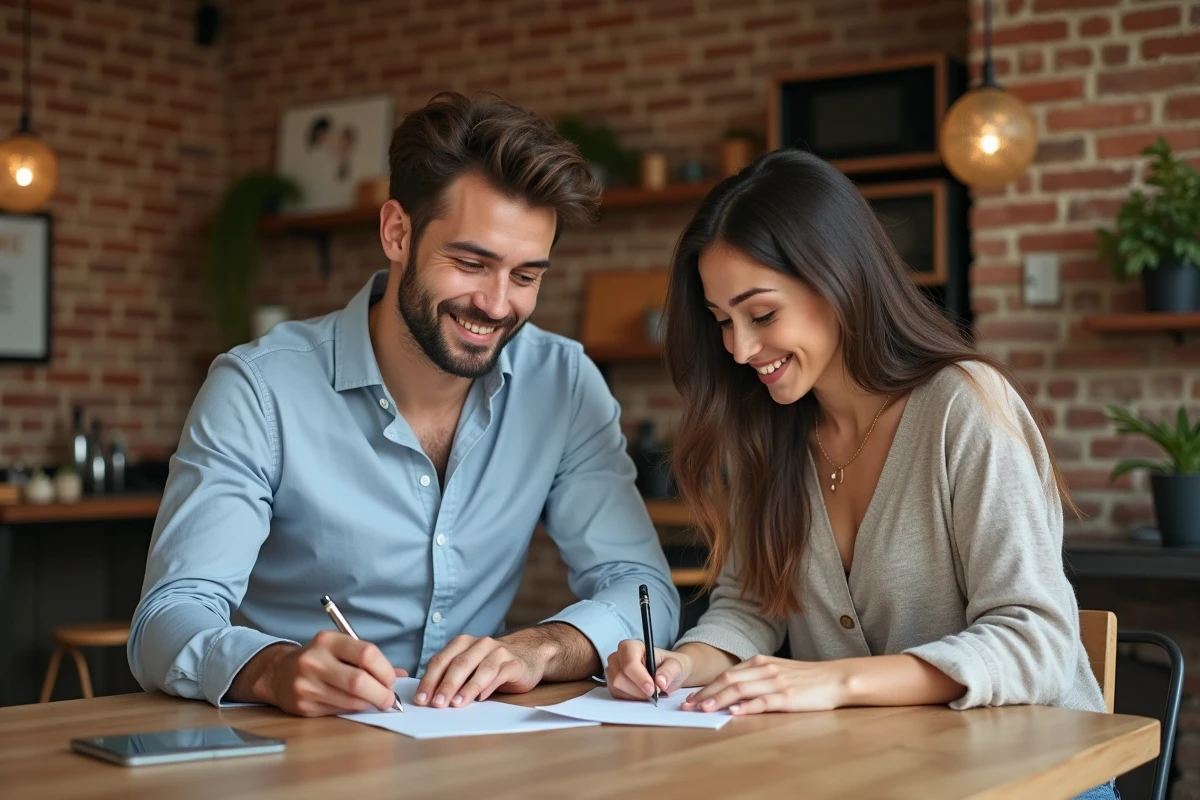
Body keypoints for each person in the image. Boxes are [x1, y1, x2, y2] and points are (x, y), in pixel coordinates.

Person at [129, 91, 678, 717]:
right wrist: (271, 669)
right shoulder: (258, 390)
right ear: (397, 232)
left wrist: (544, 647)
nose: (498, 305)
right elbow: (167, 618)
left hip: (469, 743)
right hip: (290, 744)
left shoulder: (564, 383)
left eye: (526, 276)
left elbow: (644, 589)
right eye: (470, 263)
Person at [604, 149, 1115, 800]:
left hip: (1034, 777)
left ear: (838, 281)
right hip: (883, 776)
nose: (739, 348)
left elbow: (1036, 640)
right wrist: (680, 666)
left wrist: (835, 681)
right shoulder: (772, 432)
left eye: (761, 315)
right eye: (722, 322)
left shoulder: (963, 406)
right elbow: (751, 607)